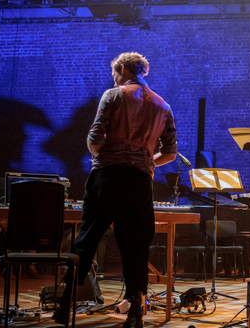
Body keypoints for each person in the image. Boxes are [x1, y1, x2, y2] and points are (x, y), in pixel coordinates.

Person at [54, 52, 177, 328]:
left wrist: (100, 157)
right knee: (136, 246)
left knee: (86, 241)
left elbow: (95, 138)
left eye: (115, 74)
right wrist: (144, 162)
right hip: (140, 182)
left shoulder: (113, 95)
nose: (114, 79)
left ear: (122, 69)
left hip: (108, 177)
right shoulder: (163, 105)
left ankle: (64, 307)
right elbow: (169, 153)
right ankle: (135, 313)